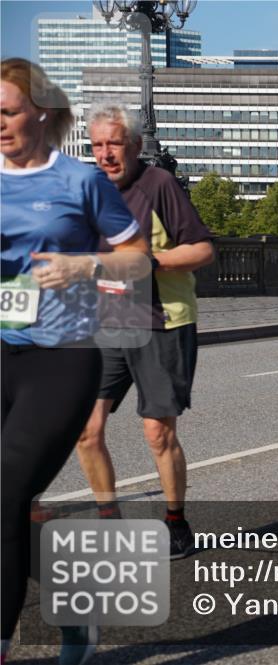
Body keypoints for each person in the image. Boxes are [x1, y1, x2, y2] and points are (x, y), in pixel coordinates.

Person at [1, 58, 149, 664]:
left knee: (6, 490)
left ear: (40, 112)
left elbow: (137, 257)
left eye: (7, 112)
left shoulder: (79, 181)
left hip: (61, 358)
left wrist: (83, 265)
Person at [75, 103, 214, 559]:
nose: (106, 154)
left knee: (157, 432)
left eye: (114, 143)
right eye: (97, 145)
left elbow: (201, 250)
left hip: (163, 321)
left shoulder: (159, 185)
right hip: (109, 323)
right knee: (85, 430)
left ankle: (175, 521)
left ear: (134, 145)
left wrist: (150, 261)